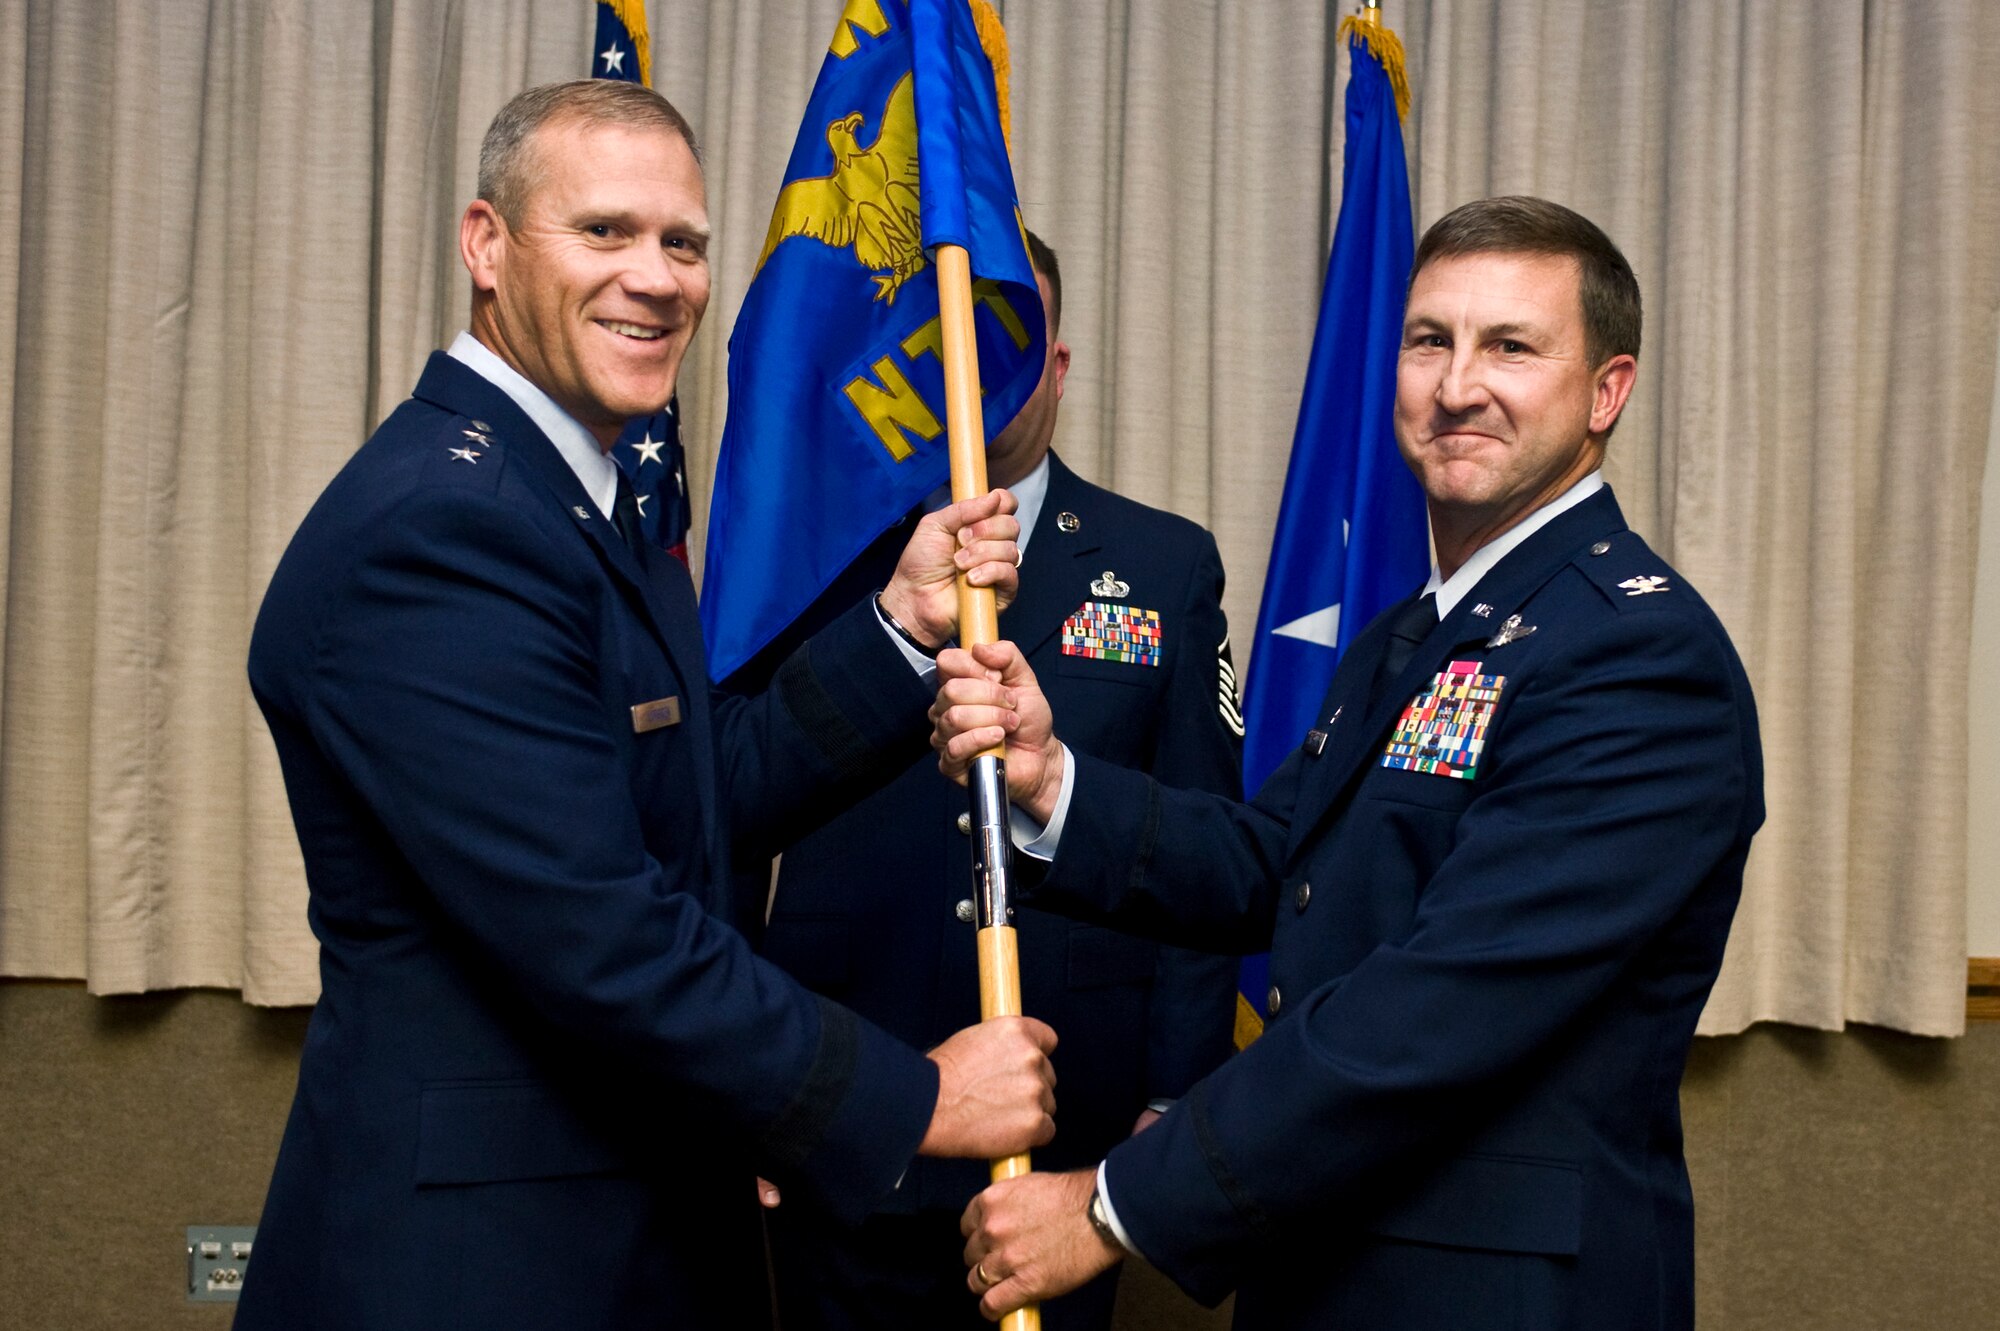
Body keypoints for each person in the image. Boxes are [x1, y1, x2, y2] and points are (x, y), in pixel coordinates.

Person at [235, 80, 1059, 1331]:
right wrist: (914, 1099)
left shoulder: (578, 493)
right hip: (489, 1264)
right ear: (485, 244)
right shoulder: (442, 528)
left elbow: (691, 796)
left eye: (683, 241)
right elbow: (598, 930)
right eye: (606, 232)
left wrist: (902, 627)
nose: (659, 277)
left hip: (626, 1224)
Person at [934, 196, 1765, 1330]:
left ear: (1604, 392)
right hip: (1325, 1262)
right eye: (1430, 340)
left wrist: (1111, 1206)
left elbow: (1439, 1003)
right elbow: (1279, 862)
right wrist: (1047, 780)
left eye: (1510, 347)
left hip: (1493, 1298)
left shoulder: (1636, 657)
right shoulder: (1410, 634)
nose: (1456, 384)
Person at [725, 231, 1243, 1331]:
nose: (986, 375)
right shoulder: (809, 556)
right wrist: (738, 1080)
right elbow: (721, 809)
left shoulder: (1160, 562)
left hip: (1066, 1116)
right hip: (848, 1082)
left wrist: (1174, 1086)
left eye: (1013, 344)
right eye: (961, 346)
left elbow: (1207, 835)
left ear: (1054, 367)